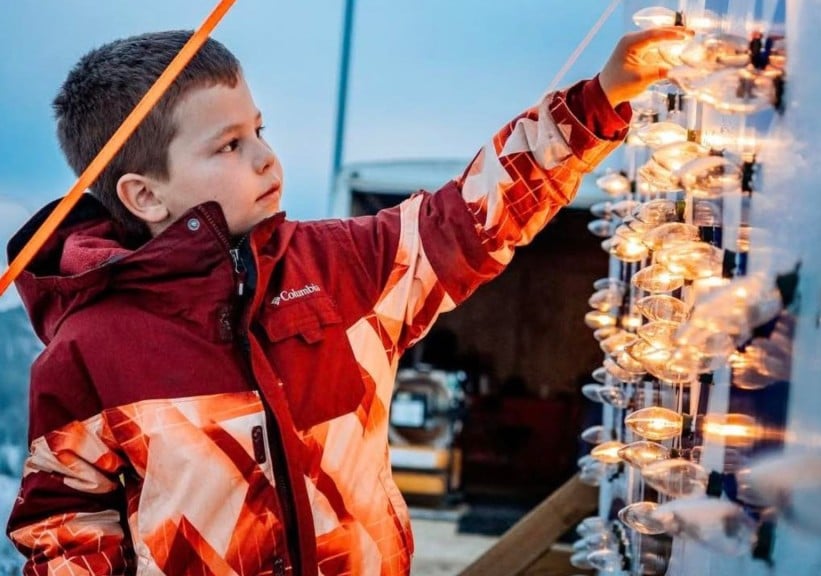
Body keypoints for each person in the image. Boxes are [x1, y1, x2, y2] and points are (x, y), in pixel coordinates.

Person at [5, 24, 686, 575]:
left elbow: (465, 220)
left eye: (261, 130)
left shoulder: (340, 266)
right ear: (145, 195)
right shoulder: (88, 352)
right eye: (230, 145)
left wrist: (598, 100)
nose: (267, 158)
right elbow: (65, 526)